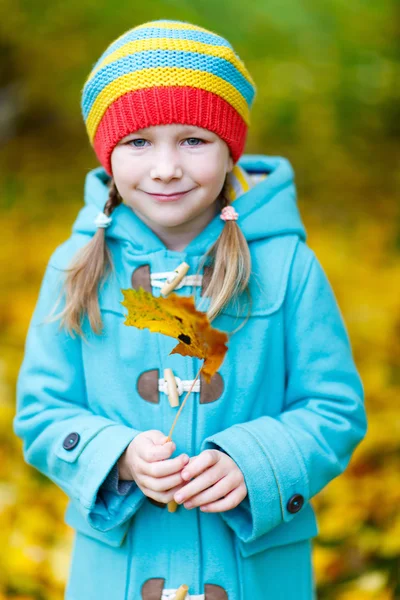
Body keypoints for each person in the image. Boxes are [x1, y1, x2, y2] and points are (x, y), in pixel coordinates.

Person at [14, 18, 368, 600]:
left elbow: (334, 408)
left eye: (193, 140)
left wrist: (257, 463)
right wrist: (119, 457)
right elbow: (41, 412)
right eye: (138, 141)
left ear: (231, 150)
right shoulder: (76, 267)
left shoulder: (286, 265)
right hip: (121, 571)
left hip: (255, 574)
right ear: (108, 152)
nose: (165, 167)